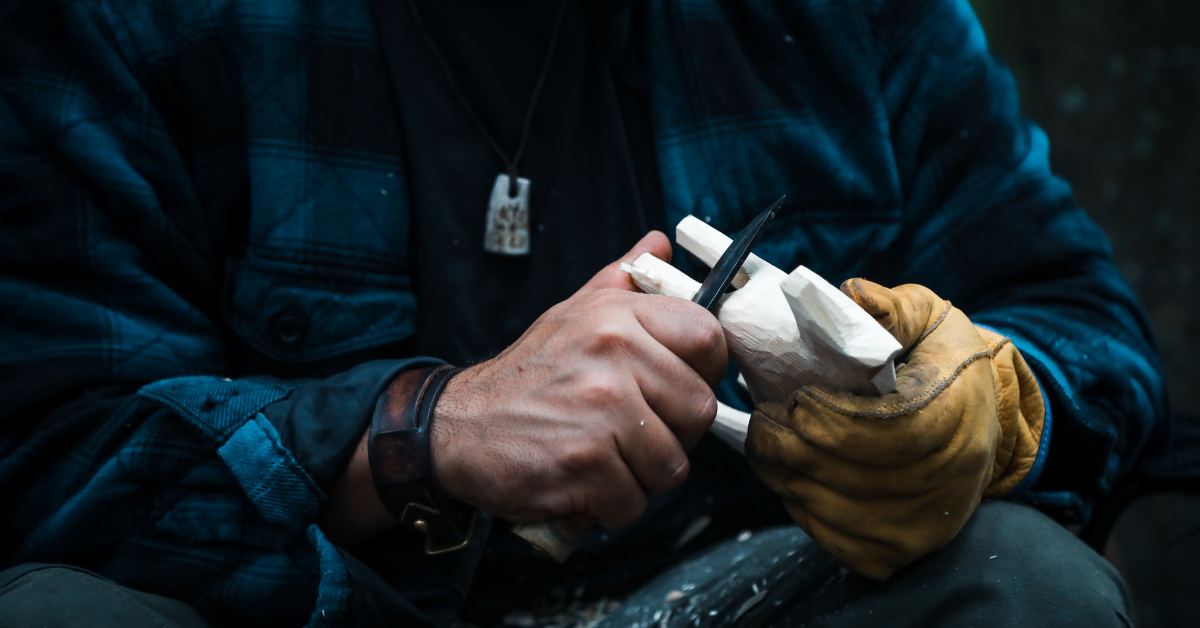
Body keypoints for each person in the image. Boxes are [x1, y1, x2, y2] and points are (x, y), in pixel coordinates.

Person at [0, 0, 1165, 626]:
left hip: (734, 589)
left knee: (1025, 580)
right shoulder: (138, 22)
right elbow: (44, 457)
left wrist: (995, 407)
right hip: (313, 606)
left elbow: (1079, 316)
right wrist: (416, 436)